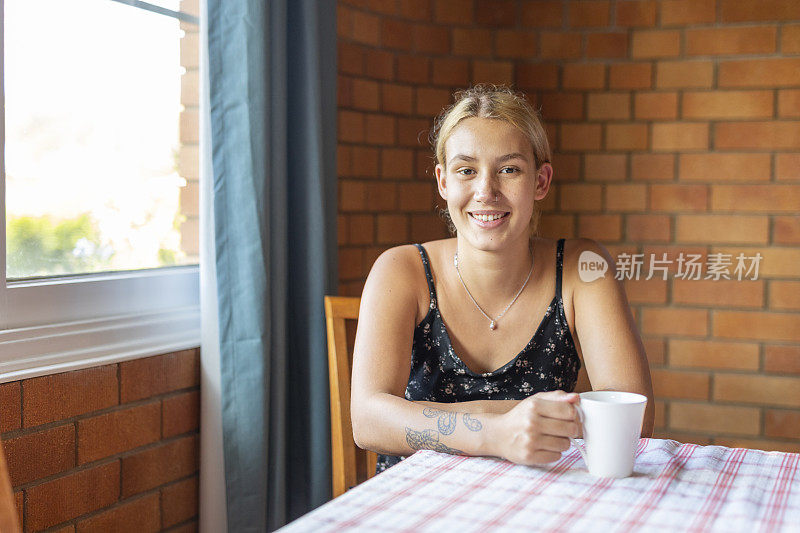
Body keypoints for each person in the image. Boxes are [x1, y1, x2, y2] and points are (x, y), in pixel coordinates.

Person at [350, 84, 654, 473]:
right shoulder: (401, 270)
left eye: (509, 169)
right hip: (417, 504)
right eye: (466, 170)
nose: (486, 191)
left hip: (543, 496)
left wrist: (421, 417)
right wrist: (494, 432)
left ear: (540, 182)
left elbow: (633, 416)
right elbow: (368, 421)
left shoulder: (583, 267)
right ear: (444, 182)